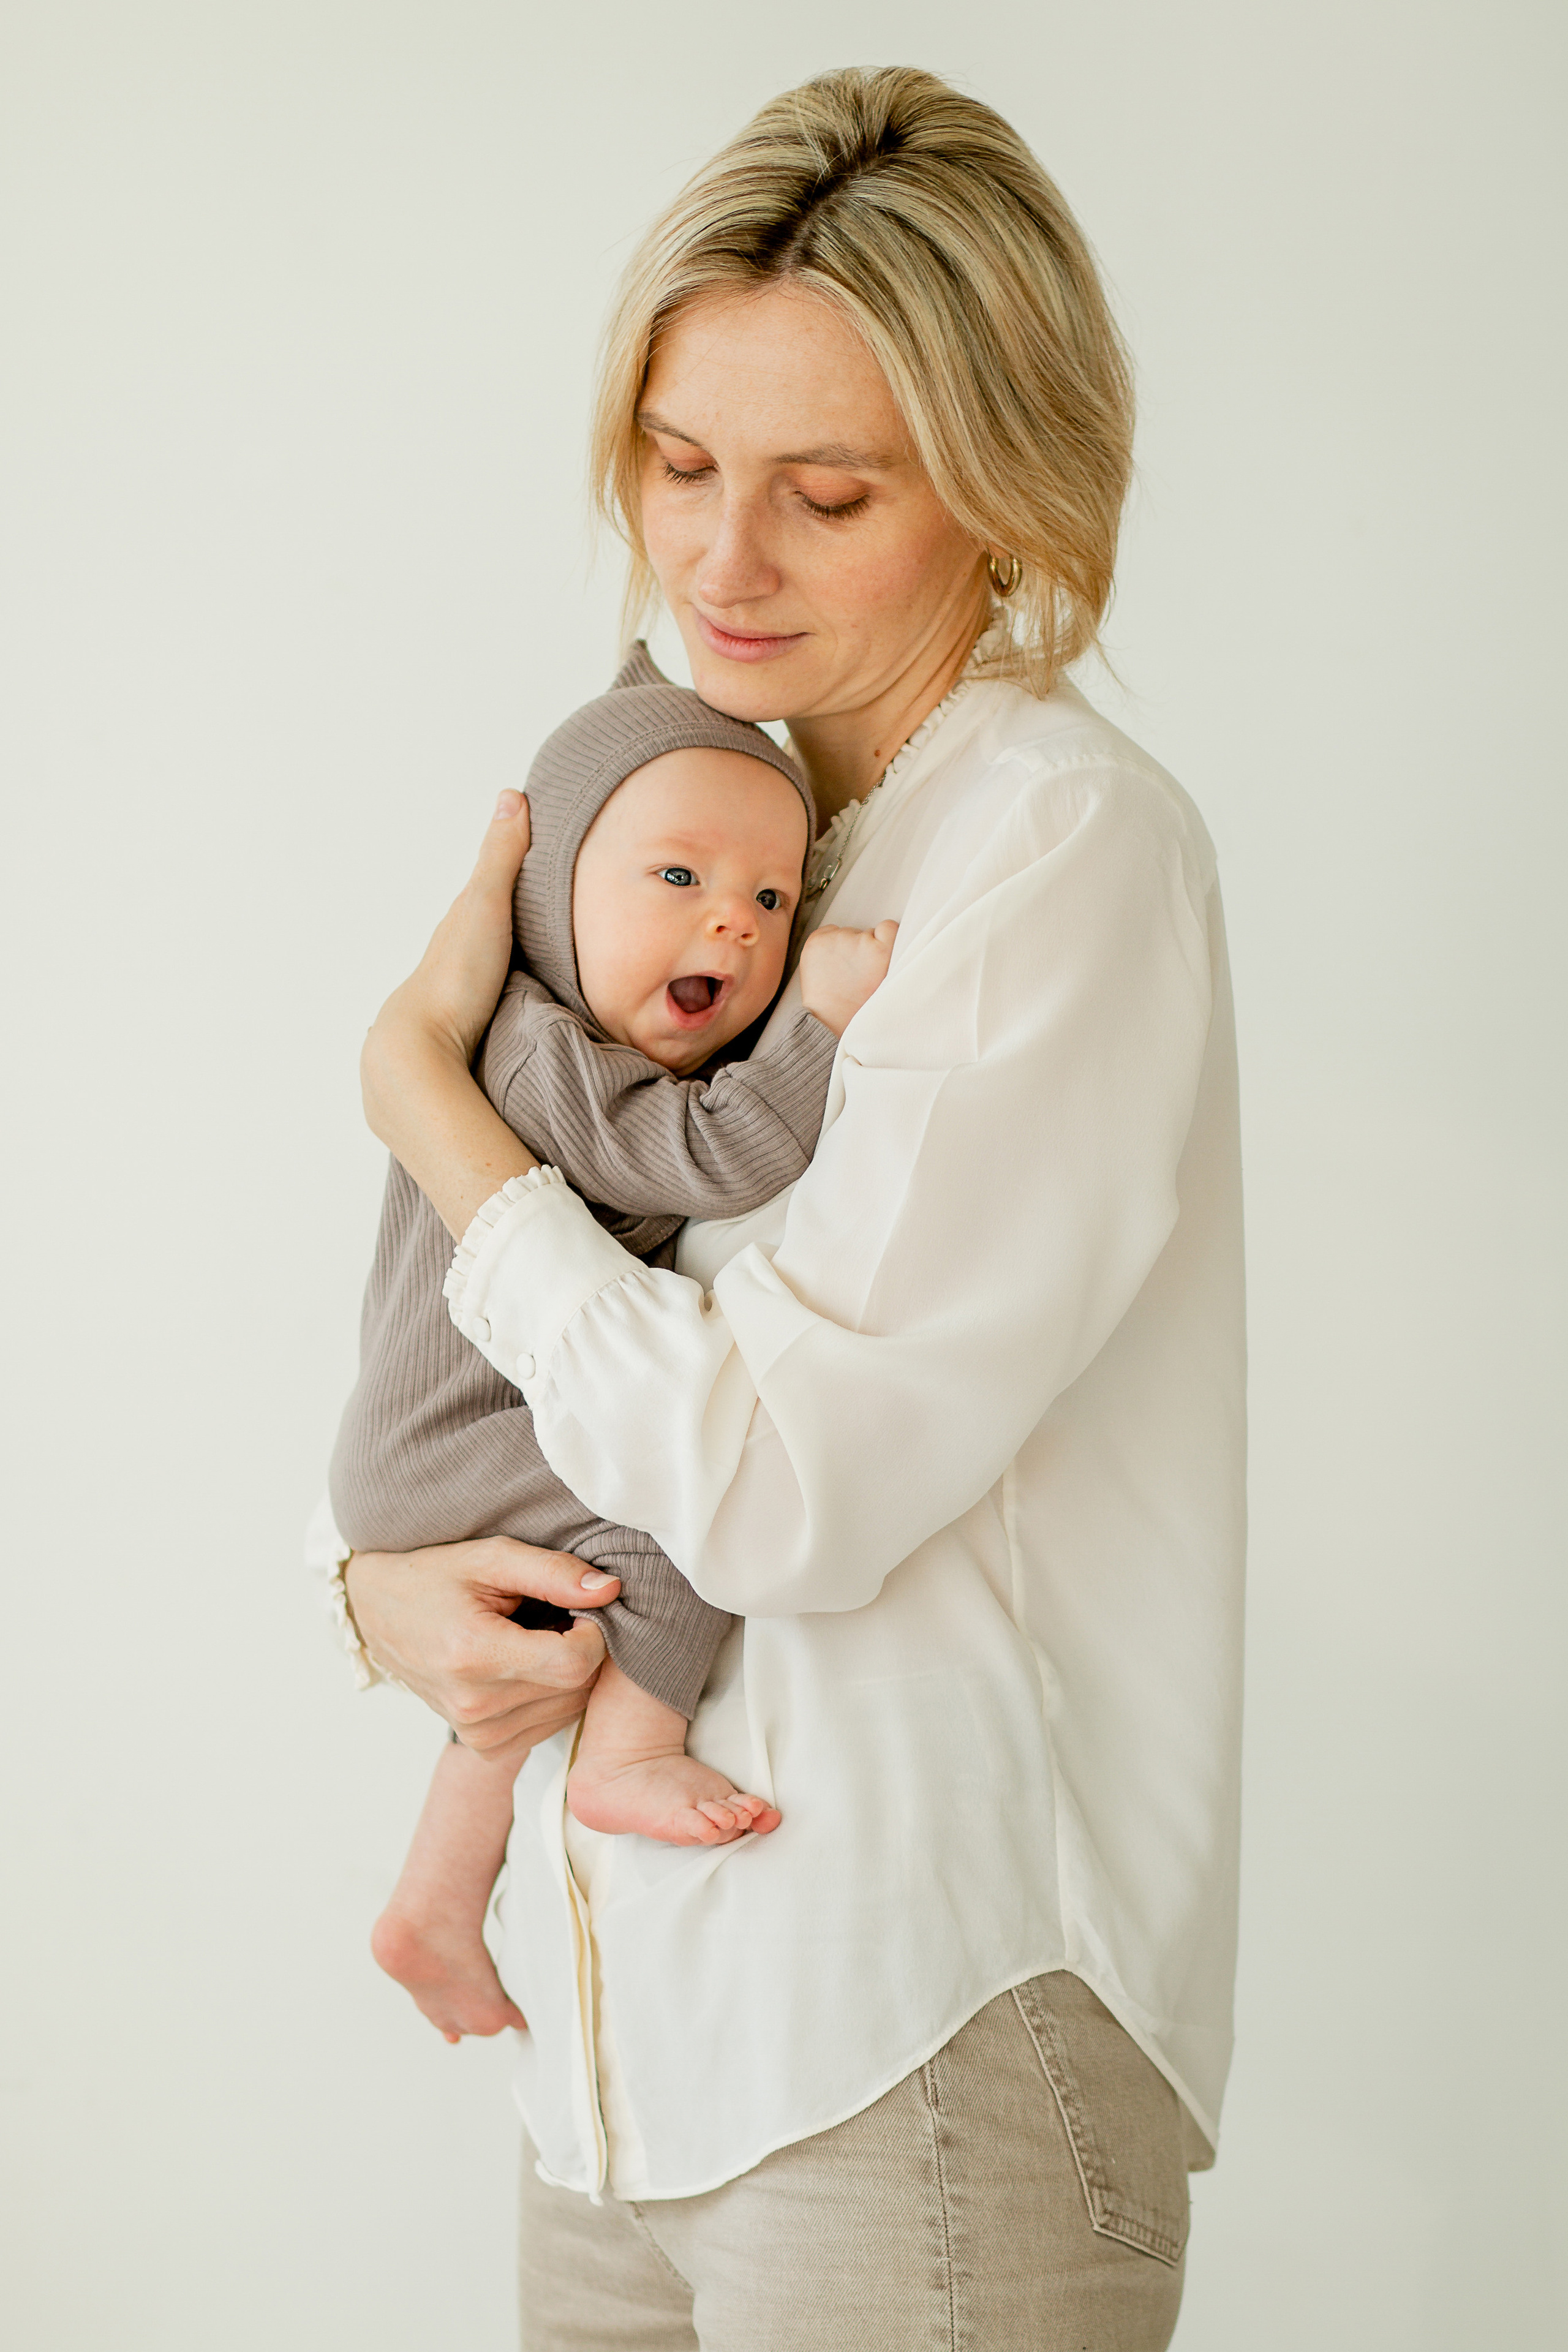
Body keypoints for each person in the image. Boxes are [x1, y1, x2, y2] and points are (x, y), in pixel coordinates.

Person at [324, 64, 1245, 2351]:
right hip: (613, 2056)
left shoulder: (1050, 845)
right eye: (677, 466)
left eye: (829, 494)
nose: (720, 563)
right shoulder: (667, 806)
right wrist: (376, 1586)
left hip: (916, 2033)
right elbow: (470, 1344)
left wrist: (430, 1104)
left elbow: (779, 1489)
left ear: (1006, 490)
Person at [330, 658, 899, 2042]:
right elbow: (714, 1156)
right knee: (671, 1518)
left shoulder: (570, 1046)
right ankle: (628, 1755)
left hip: (427, 1449)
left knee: (544, 1638)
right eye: (678, 877)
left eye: (773, 899)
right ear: (549, 898)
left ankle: (435, 1899)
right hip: (444, 1448)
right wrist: (817, 1025)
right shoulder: (539, 1057)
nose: (735, 920)